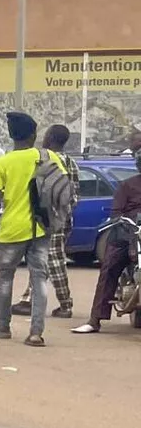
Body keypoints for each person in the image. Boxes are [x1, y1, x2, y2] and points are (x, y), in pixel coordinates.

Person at [0, 112, 51, 347]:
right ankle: (36, 333)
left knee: (5, 277)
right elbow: (61, 190)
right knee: (39, 279)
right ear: (34, 134)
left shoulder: (1, 163)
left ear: (11, 135)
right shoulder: (47, 157)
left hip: (10, 230)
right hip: (41, 229)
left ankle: (3, 327)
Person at [74, 140, 141, 333]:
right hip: (129, 233)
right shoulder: (127, 186)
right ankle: (95, 320)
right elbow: (116, 212)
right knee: (109, 267)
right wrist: (124, 221)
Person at [14, 124, 79, 319]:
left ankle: (65, 304)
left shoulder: (47, 160)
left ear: (50, 138)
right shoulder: (71, 162)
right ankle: (29, 299)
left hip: (48, 219)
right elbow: (74, 195)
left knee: (54, 261)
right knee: (41, 259)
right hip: (63, 217)